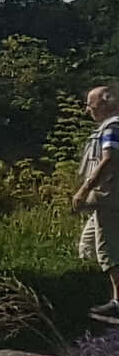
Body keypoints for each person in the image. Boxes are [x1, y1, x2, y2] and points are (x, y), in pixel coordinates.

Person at [72, 85, 119, 323]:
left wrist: (84, 190)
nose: (88, 109)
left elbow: (108, 159)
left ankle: (117, 302)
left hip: (108, 197)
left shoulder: (112, 127)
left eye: (91, 104)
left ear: (105, 104)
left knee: (107, 248)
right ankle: (88, 293)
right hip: (106, 198)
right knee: (87, 246)